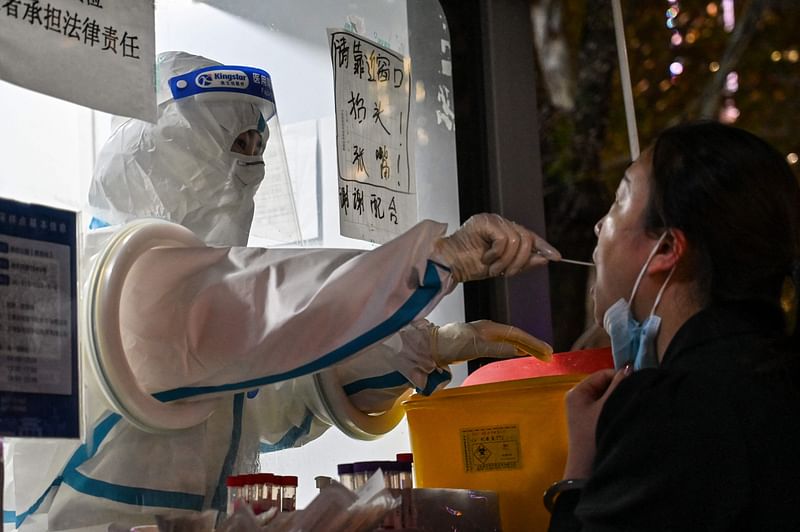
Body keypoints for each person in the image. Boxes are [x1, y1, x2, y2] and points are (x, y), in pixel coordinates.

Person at [2, 52, 561, 531]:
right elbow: (264, 302)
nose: (254, 165)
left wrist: (428, 347)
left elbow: (278, 401)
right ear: (161, 148)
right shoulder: (115, 277)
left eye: (257, 145)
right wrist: (438, 259)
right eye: (235, 143)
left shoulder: (201, 302)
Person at [547, 121, 800, 530]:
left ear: (666, 248)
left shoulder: (677, 408)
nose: (598, 227)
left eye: (618, 201)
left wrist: (579, 472)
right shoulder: (775, 376)